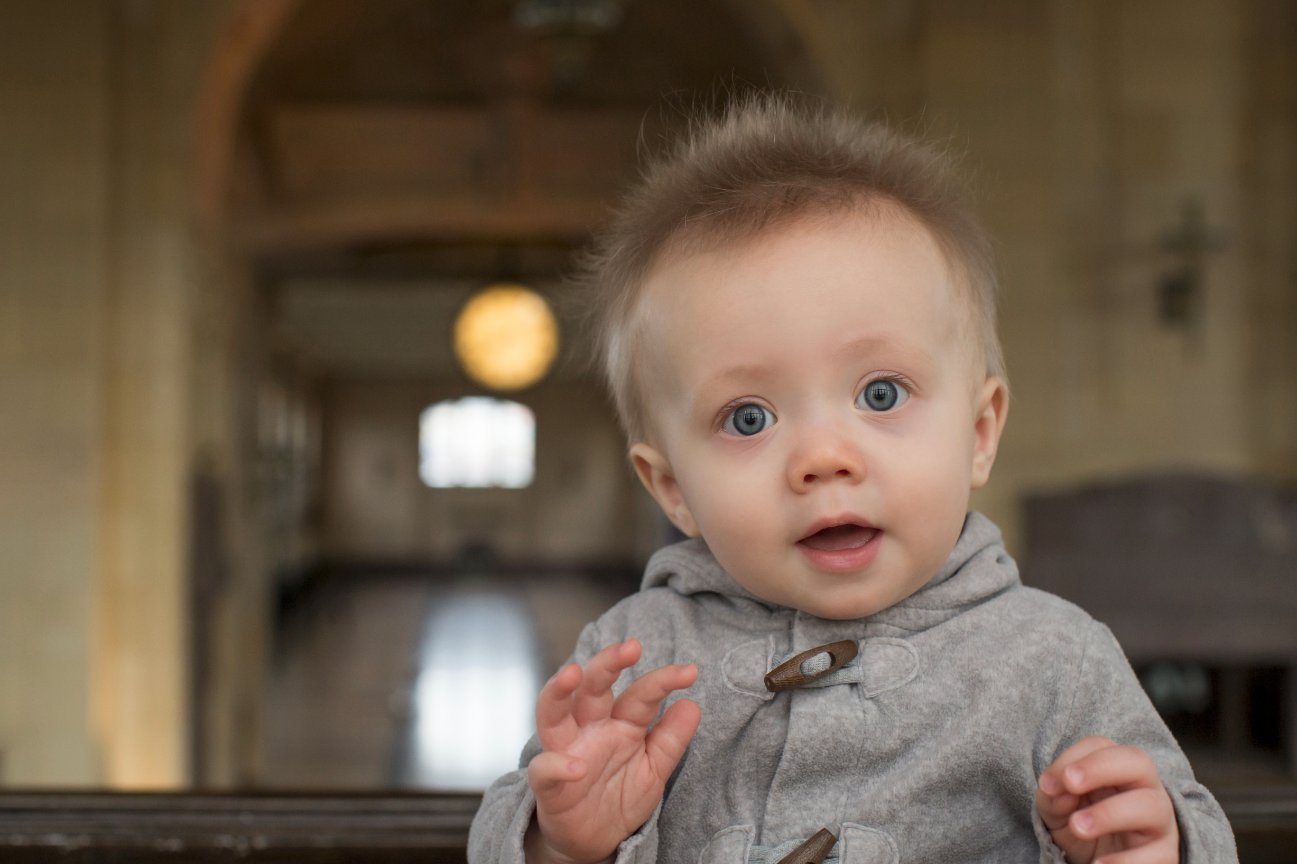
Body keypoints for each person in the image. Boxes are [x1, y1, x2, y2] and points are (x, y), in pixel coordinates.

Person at [468, 95, 1237, 864]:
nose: (823, 457)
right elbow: (506, 829)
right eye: (747, 418)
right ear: (671, 489)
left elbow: (1192, 828)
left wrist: (1155, 843)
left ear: (977, 434)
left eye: (880, 395)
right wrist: (561, 841)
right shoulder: (636, 656)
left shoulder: (1053, 657)